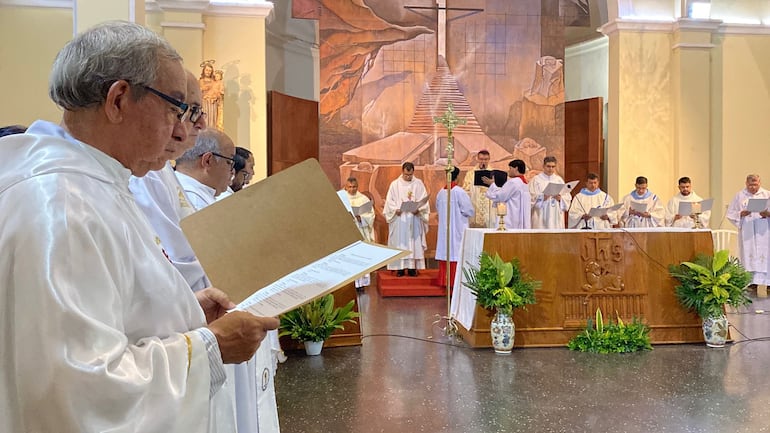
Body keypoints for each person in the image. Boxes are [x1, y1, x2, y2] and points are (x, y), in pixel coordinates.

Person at [0, 21, 278, 433]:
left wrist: (181, 312)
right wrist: (212, 347)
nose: (183, 131)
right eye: (174, 107)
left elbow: (109, 308)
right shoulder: (59, 206)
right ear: (118, 101)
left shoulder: (95, 183)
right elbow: (79, 393)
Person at [129, 70, 210, 291]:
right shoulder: (145, 170)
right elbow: (173, 256)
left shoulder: (159, 166)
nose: (201, 123)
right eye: (188, 110)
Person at [384, 162, 430, 276]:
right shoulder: (395, 184)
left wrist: (418, 209)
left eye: (410, 175)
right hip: (400, 219)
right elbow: (389, 201)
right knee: (401, 243)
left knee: (413, 243)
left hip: (413, 218)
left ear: (413, 172)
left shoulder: (418, 184)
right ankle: (400, 268)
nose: (408, 177)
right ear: (402, 172)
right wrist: (395, 209)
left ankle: (412, 268)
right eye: (406, 175)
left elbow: (424, 200)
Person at [727, 174, 770, 294]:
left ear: (759, 183)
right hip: (748, 231)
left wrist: (767, 214)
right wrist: (741, 214)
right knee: (748, 254)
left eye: (755, 184)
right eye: (750, 185)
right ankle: (751, 282)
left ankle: (767, 283)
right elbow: (730, 213)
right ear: (746, 183)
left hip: (764, 232)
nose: (753, 187)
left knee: (765, 254)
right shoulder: (740, 196)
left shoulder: (767, 195)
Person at [175, 129, 236, 208]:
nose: (232, 171)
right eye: (229, 162)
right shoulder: (195, 201)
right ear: (208, 161)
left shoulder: (172, 185)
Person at [435, 166, 474, 288]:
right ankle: (455, 282)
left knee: (447, 251)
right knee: (456, 252)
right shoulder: (459, 192)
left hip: (444, 230)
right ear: (457, 177)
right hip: (457, 228)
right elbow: (469, 210)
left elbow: (437, 208)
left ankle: (444, 280)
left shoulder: (441, 193)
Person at [342, 176, 376, 289]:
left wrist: (361, 217)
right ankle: (348, 284)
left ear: (358, 186)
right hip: (346, 234)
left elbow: (371, 215)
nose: (352, 189)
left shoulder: (363, 199)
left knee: (359, 258)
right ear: (346, 187)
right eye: (350, 187)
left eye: (354, 187)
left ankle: (360, 284)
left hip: (360, 232)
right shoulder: (341, 198)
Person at [484, 159, 531, 229]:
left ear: (516, 168)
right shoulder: (524, 184)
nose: (508, 170)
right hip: (519, 217)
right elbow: (505, 193)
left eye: (510, 168)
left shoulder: (513, 182)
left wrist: (492, 185)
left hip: (511, 217)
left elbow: (500, 196)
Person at [529, 156, 571, 229]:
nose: (550, 169)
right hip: (540, 214)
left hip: (555, 214)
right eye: (548, 166)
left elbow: (567, 197)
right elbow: (530, 196)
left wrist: (560, 199)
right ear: (543, 166)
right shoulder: (536, 180)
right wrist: (542, 197)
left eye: (553, 167)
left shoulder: (558, 180)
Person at [462, 149, 495, 228]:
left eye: (486, 159)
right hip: (475, 204)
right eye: (481, 159)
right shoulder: (470, 173)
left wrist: (492, 184)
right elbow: (465, 190)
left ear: (489, 159)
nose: (483, 161)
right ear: (477, 159)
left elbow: (498, 191)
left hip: (489, 207)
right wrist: (473, 187)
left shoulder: (494, 174)